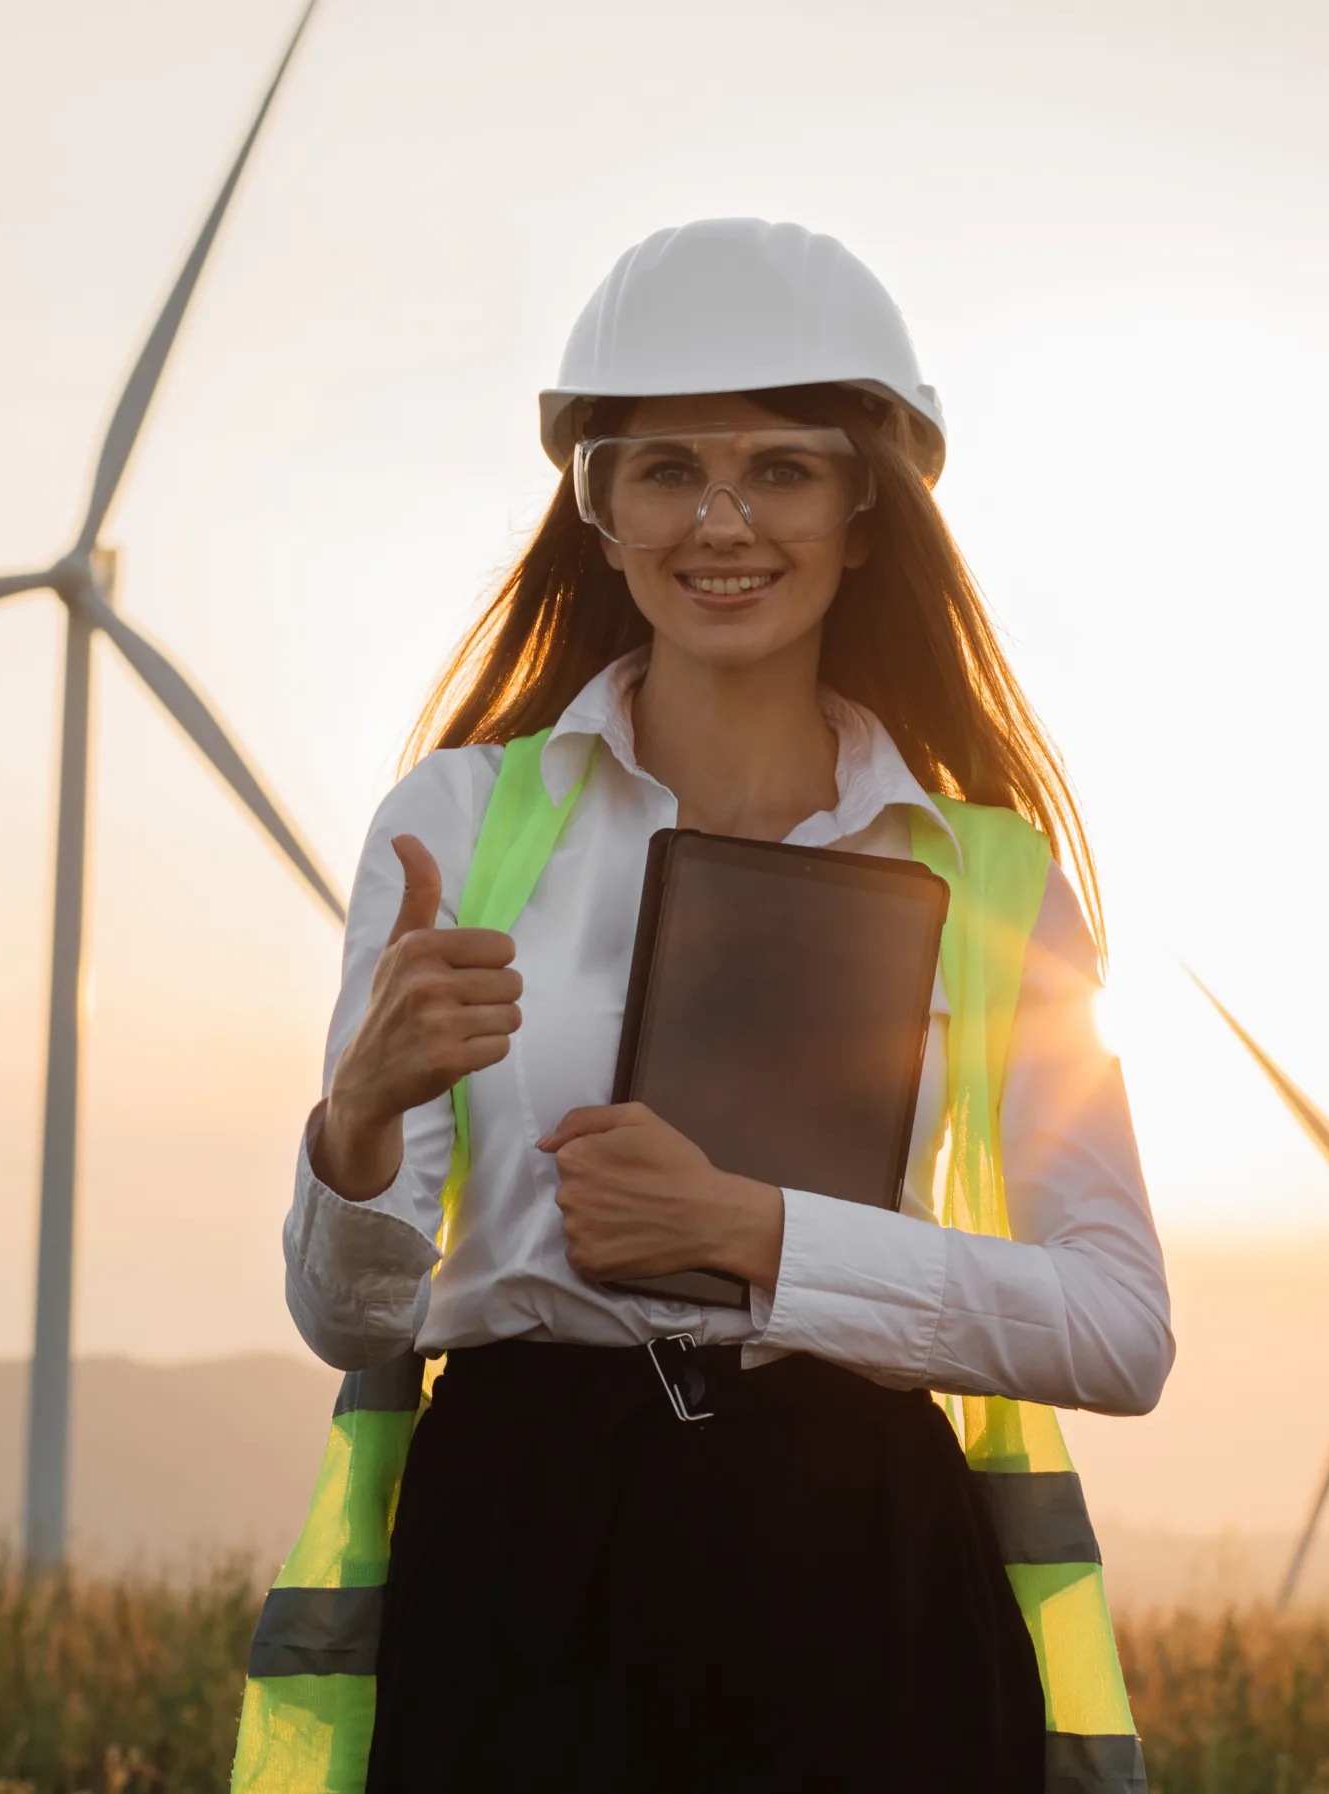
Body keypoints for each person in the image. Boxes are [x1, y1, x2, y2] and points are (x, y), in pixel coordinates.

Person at [234, 220, 1173, 1794]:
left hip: (856, 1566)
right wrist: (357, 1116)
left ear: (868, 511)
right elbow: (352, 1318)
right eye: (663, 469)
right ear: (596, 509)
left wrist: (761, 1232)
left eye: (782, 470)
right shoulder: (459, 824)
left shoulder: (996, 887)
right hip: (519, 1551)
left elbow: (1120, 1326)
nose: (720, 519)